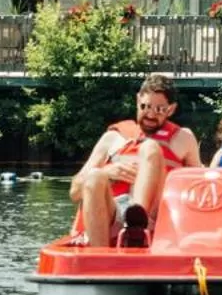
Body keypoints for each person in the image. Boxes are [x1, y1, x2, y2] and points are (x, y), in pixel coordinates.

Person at [69, 74, 202, 248]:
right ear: (138, 100)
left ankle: (137, 225)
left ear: (171, 109)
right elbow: (75, 192)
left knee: (150, 148)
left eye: (159, 109)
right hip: (113, 213)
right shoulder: (112, 138)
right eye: (145, 106)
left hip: (158, 215)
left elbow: (198, 189)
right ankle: (99, 254)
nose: (151, 114)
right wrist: (108, 173)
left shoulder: (183, 138)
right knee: (94, 176)